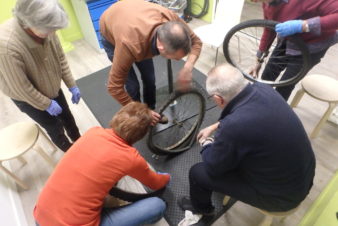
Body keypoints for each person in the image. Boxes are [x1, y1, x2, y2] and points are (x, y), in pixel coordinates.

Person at [178, 64, 315, 216]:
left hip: (280, 198)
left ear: (218, 98)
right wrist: (215, 126)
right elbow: (249, 115)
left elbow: (213, 167)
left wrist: (207, 144)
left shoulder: (234, 126)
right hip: (302, 180)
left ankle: (202, 209)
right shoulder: (265, 89)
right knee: (236, 153)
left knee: (198, 173)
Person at [34, 101, 171, 226]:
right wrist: (167, 177)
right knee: (157, 205)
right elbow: (156, 183)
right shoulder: (130, 157)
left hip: (40, 216)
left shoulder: (93, 132)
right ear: (140, 135)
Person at [99, 0, 202, 124]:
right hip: (112, 29)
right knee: (133, 86)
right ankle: (138, 117)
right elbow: (114, 87)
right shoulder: (130, 45)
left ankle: (152, 111)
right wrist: (141, 111)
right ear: (161, 47)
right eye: (175, 57)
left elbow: (197, 42)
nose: (177, 61)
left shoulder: (170, 19)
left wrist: (187, 68)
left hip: (133, 16)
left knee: (149, 79)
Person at [0, 0, 81, 152]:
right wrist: (46, 104)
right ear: (28, 23)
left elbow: (60, 58)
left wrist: (72, 84)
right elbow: (20, 87)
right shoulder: (6, 45)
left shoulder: (47, 28)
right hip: (26, 97)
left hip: (49, 85)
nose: (53, 34)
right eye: (49, 30)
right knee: (54, 126)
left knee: (67, 116)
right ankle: (71, 153)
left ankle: (80, 141)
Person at [250, 0, 338, 100]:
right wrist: (259, 57)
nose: (265, 3)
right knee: (267, 75)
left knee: (285, 85)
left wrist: (303, 25)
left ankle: (275, 112)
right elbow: (269, 29)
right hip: (288, 39)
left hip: (312, 47)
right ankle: (259, 102)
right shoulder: (268, 4)